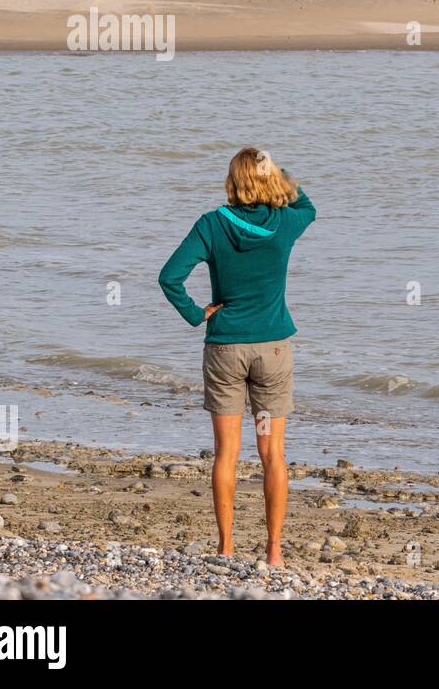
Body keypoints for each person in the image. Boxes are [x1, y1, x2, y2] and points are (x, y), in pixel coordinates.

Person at [158, 148, 315, 566]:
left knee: (227, 453)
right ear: (270, 180)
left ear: (232, 180)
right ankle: (274, 550)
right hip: (273, 352)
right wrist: (277, 173)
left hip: (226, 350)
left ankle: (226, 547)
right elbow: (307, 204)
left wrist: (196, 314)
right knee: (272, 454)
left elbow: (169, 276)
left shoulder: (212, 224)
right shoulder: (285, 223)